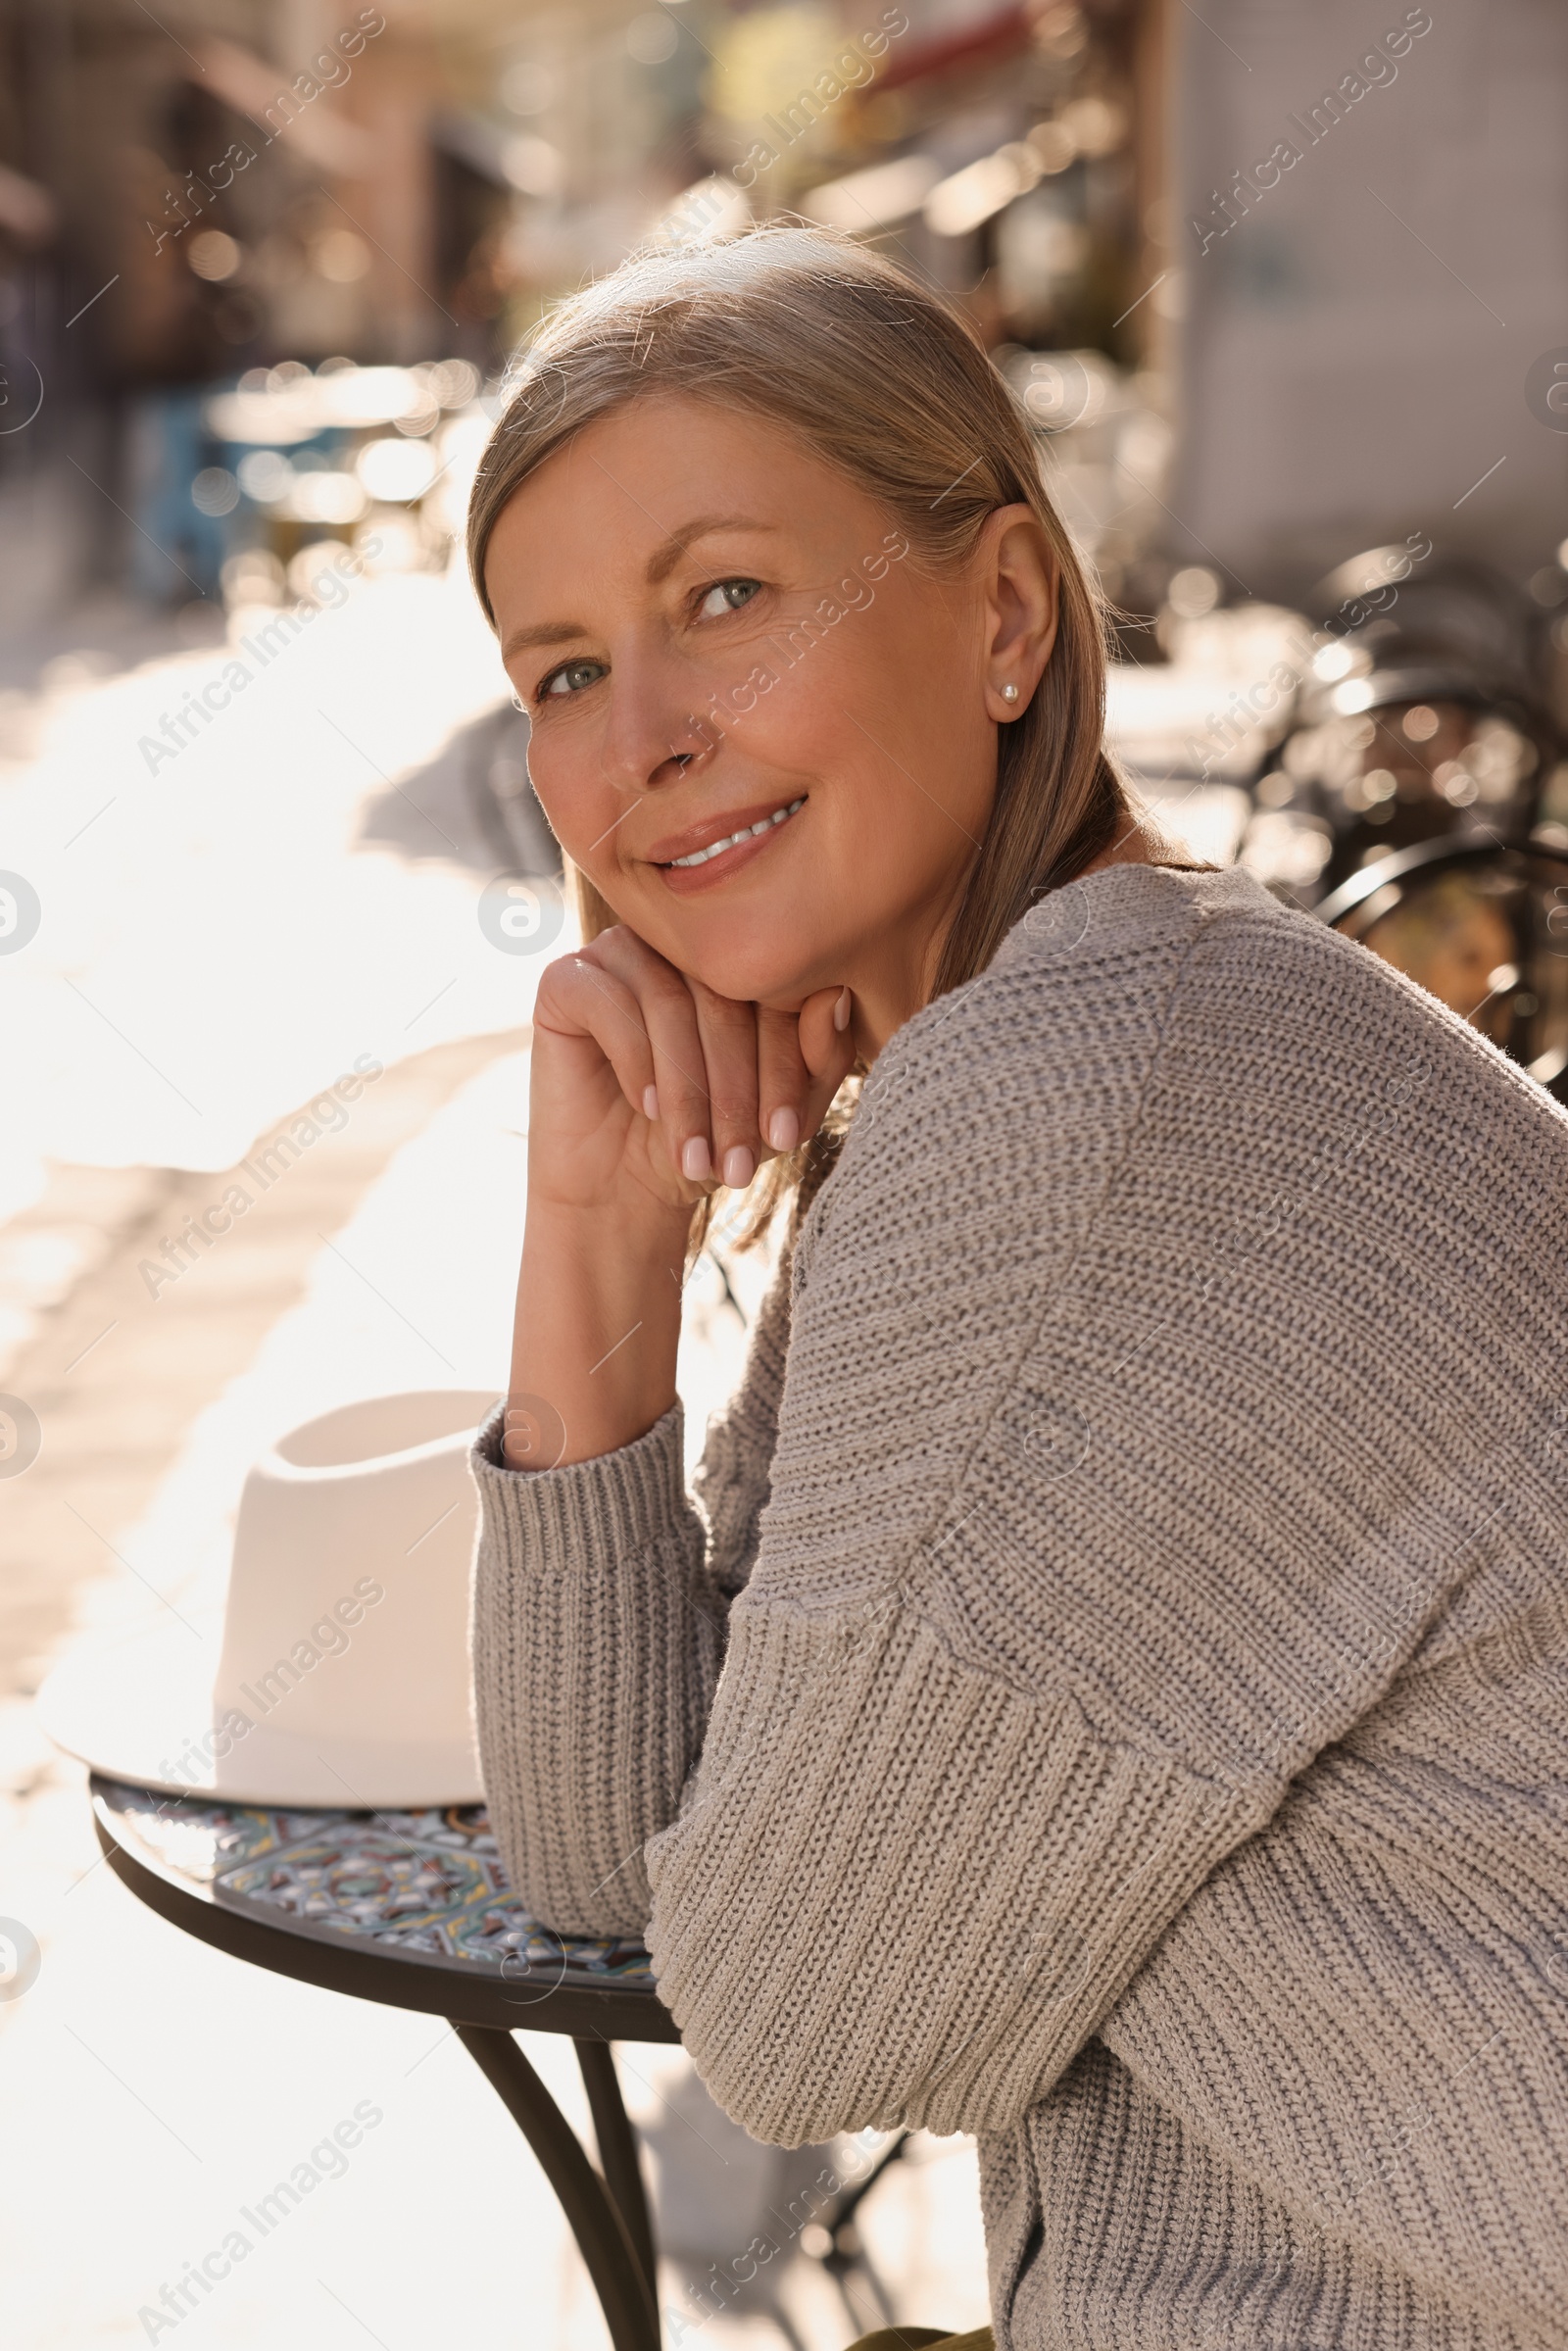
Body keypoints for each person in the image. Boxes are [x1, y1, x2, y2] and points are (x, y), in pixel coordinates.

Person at [465, 226, 1568, 2350]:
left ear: (997, 616)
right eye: (563, 670)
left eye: (724, 599)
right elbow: (615, 1863)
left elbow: (782, 2020)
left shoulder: (1097, 1107)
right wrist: (595, 1227)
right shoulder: (1031, 1051)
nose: (643, 738)